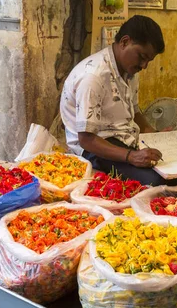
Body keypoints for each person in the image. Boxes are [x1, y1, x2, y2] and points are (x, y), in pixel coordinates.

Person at [60, 15, 166, 185]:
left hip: (124, 137)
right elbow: (86, 139)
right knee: (156, 181)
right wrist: (131, 157)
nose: (144, 66)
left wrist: (154, 134)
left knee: (176, 170)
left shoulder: (129, 71)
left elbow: (134, 111)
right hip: (94, 146)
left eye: (149, 61)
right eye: (142, 57)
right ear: (124, 42)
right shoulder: (93, 77)